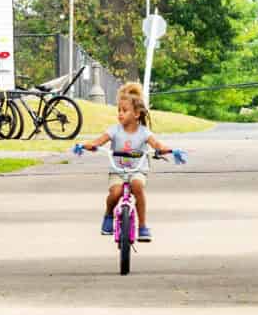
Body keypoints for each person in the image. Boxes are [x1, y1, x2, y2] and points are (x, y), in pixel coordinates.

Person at [73, 83, 183, 241]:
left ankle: (143, 226)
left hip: (137, 170)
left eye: (124, 111)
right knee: (115, 193)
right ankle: (109, 214)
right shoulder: (114, 130)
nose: (120, 114)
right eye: (119, 110)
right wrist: (87, 145)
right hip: (117, 171)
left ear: (137, 113)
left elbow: (157, 145)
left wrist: (167, 150)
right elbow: (98, 142)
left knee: (137, 186)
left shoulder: (144, 132)